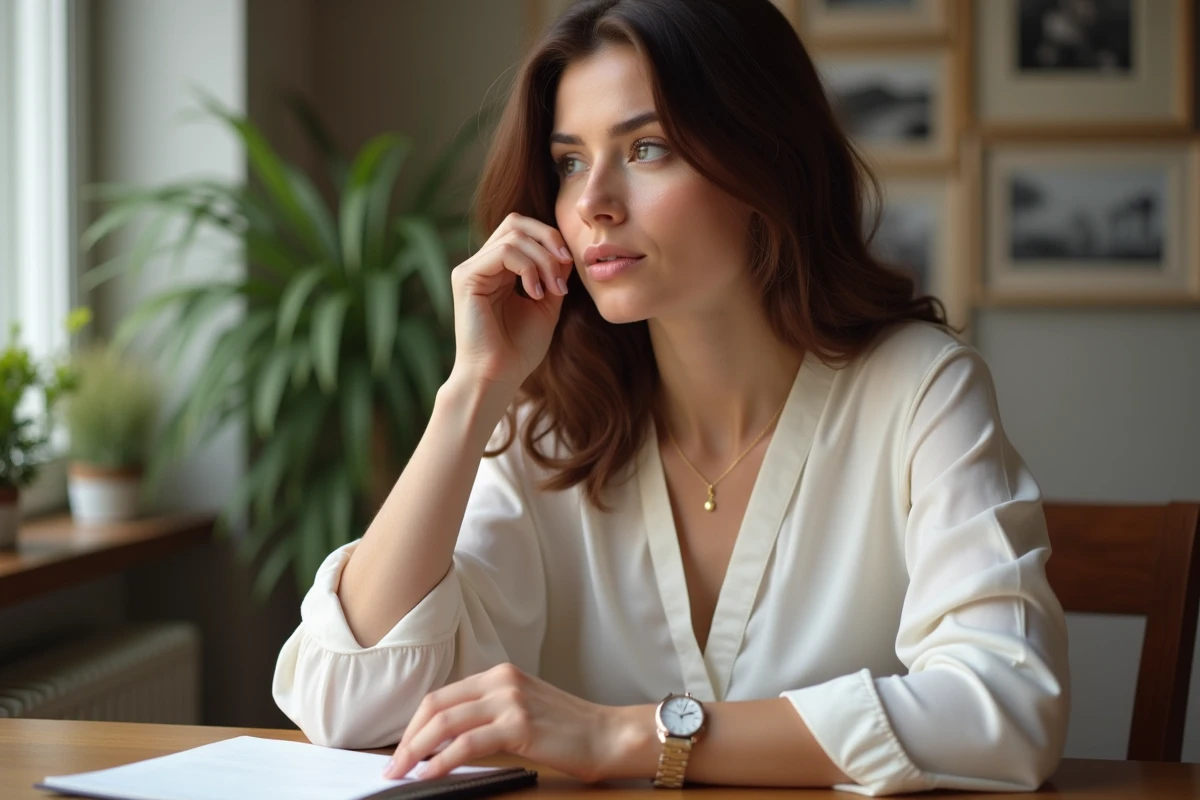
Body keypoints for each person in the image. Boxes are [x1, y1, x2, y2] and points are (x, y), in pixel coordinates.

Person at [272, 0, 1070, 793]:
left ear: (765, 161)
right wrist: (471, 390)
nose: (592, 205)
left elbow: (1006, 705)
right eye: (570, 162)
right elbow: (346, 703)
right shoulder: (546, 425)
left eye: (646, 148)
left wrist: (624, 733)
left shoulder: (919, 389)